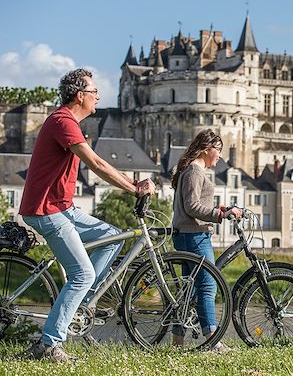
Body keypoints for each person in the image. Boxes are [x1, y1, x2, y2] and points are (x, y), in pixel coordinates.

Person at [18, 68, 156, 361]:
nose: (98, 97)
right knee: (82, 273)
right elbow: (95, 163)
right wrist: (133, 186)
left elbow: (98, 161)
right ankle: (50, 345)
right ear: (80, 95)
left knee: (111, 237)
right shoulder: (62, 121)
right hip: (47, 210)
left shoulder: (69, 123)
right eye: (94, 92)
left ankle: (81, 302)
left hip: (62, 207)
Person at [170, 129, 241, 351]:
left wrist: (215, 209)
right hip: (195, 236)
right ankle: (212, 339)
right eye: (217, 150)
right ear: (206, 149)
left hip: (188, 234)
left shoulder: (192, 170)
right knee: (208, 287)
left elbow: (193, 204)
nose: (219, 156)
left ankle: (177, 342)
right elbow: (191, 206)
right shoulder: (194, 171)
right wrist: (218, 215)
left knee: (188, 291)